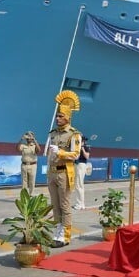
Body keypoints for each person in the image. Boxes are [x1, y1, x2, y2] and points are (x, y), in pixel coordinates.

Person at [47, 90, 82, 248]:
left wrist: (60, 152)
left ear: (68, 117)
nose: (58, 118)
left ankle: (65, 236)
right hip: (53, 172)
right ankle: (57, 232)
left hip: (65, 173)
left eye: (61, 116)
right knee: (55, 205)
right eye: (57, 115)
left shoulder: (74, 134)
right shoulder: (53, 133)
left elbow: (75, 154)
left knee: (65, 205)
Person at [17, 131, 41, 195]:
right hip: (24, 165)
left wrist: (34, 140)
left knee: (32, 181)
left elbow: (38, 150)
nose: (29, 138)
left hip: (32, 165)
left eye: (30, 136)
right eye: (27, 136)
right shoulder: (23, 145)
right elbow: (17, 149)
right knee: (24, 182)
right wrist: (21, 139)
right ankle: (24, 196)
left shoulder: (34, 145)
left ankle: (31, 195)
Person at [71, 136, 90, 210]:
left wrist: (82, 148)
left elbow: (87, 156)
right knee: (79, 185)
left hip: (81, 165)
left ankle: (79, 204)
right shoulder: (76, 147)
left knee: (79, 184)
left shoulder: (85, 147)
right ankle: (81, 204)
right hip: (76, 164)